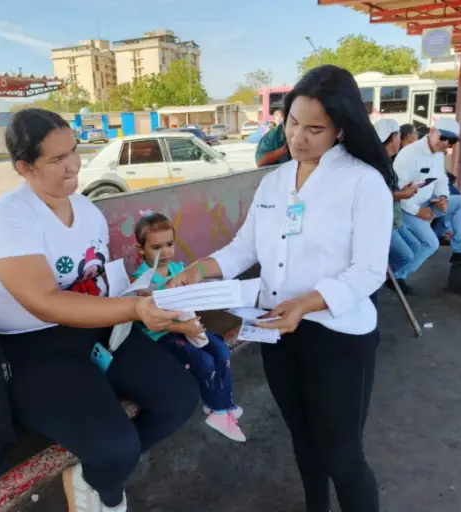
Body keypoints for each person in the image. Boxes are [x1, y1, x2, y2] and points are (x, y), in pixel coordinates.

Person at [168, 65, 393, 512]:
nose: (298, 138)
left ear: (341, 129)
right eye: (292, 122)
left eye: (314, 129)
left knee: (342, 456)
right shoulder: (274, 182)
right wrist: (198, 270)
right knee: (305, 443)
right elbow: (242, 249)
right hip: (277, 334)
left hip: (338, 336)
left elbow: (368, 271)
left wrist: (305, 304)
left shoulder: (363, 183)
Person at [0, 108, 198, 512]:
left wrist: (158, 306)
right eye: (57, 159)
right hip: (29, 349)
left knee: (179, 398)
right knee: (115, 444)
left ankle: (97, 471)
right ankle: (106, 489)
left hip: (95, 329)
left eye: (73, 151)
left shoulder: (88, 211)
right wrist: (135, 309)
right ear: (25, 167)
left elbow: (99, 281)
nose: (73, 164)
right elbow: (45, 302)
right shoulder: (8, 218)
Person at [131, 212, 247, 442]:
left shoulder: (178, 270)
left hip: (188, 326)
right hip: (163, 334)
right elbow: (153, 320)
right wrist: (185, 327)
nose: (165, 252)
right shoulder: (141, 282)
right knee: (203, 363)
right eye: (156, 247)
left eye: (170, 244)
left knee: (221, 350)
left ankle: (223, 407)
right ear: (141, 249)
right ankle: (219, 408)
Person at [394, 118, 461, 265]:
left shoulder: (439, 154)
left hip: (428, 202)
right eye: (443, 137)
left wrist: (443, 198)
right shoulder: (409, 154)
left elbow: (441, 180)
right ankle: (398, 276)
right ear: (432, 131)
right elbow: (398, 193)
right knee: (431, 244)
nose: (446, 143)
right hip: (406, 209)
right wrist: (417, 211)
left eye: (451, 141)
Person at [375, 118, 436, 294]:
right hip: (382, 221)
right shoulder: (378, 163)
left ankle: (392, 277)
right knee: (406, 255)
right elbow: (374, 196)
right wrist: (401, 194)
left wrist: (403, 190)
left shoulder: (387, 160)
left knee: (416, 249)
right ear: (394, 137)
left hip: (394, 217)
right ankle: (378, 278)